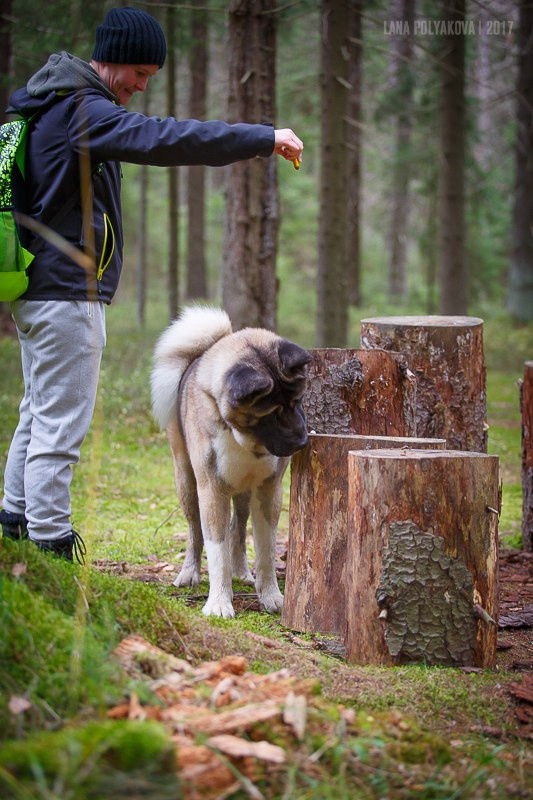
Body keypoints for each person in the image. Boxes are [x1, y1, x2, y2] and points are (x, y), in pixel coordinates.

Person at [0, 6, 304, 563]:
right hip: (65, 292)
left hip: (42, 288)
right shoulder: (80, 110)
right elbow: (165, 139)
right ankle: (49, 545)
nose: (141, 86)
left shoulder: (51, 104)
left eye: (150, 77)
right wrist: (261, 137)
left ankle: (15, 524)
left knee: (39, 411)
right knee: (60, 424)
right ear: (110, 59)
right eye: (139, 72)